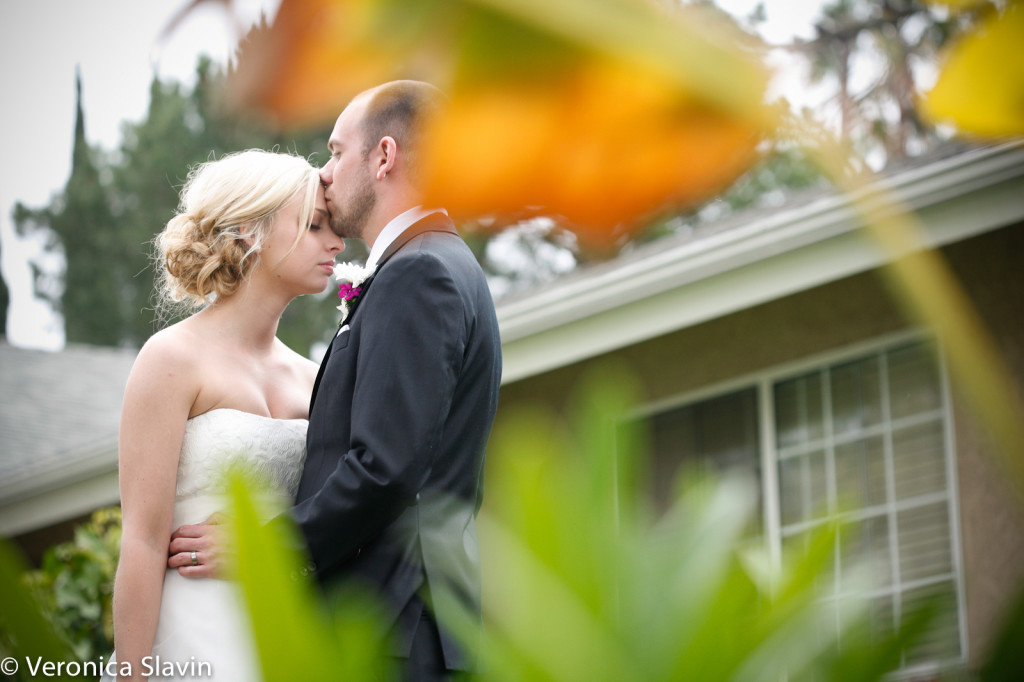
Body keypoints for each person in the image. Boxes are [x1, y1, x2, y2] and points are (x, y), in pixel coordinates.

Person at [169, 80, 503, 681]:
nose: (324, 175)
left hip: (392, 628)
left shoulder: (420, 272)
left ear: (383, 157)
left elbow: (386, 468)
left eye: (335, 152)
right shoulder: (440, 265)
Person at [109, 149, 343, 681]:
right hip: (187, 634)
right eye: (313, 226)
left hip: (283, 635)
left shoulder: (315, 378)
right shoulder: (169, 360)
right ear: (247, 233)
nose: (337, 243)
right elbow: (142, 541)